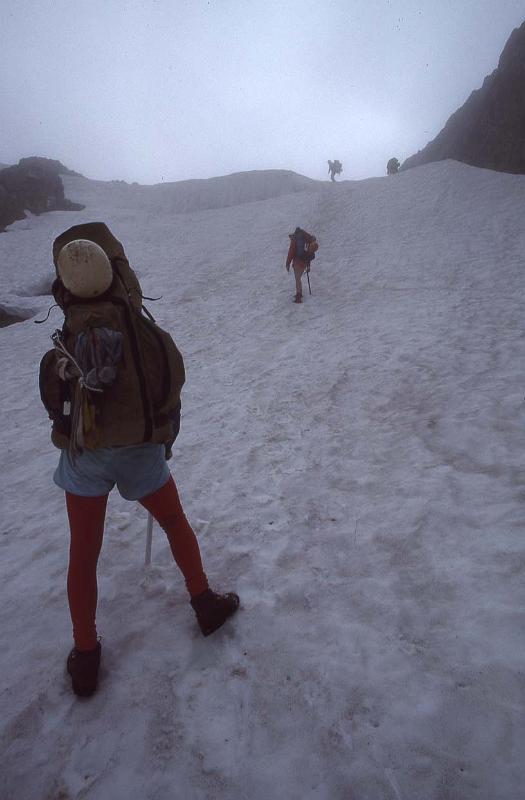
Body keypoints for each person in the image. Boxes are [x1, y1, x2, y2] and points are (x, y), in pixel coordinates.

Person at [39, 224, 239, 698]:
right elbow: (170, 384)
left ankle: (86, 655)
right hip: (141, 452)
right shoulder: (141, 330)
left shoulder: (70, 332)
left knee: (83, 554)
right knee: (174, 522)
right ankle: (204, 602)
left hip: (85, 456)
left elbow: (53, 402)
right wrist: (163, 439)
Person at [285, 227, 317, 303]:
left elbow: (291, 252)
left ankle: (298, 296)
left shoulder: (295, 239)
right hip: (305, 262)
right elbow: (309, 253)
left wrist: (287, 263)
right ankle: (299, 293)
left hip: (297, 262)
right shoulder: (306, 238)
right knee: (298, 278)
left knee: (297, 279)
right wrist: (308, 266)